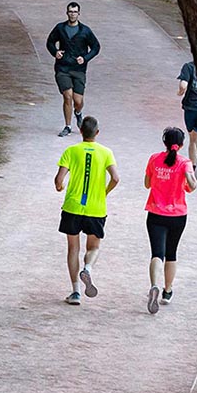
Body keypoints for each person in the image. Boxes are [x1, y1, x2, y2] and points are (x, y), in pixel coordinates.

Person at [55, 116, 119, 306]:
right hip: (96, 208)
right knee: (94, 247)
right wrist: (104, 192)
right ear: (97, 133)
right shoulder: (106, 152)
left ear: (81, 131)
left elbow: (59, 180)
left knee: (73, 248)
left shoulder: (71, 150)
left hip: (73, 207)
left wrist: (60, 187)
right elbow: (116, 177)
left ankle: (75, 292)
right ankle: (88, 268)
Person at [143, 126, 197, 315]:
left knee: (157, 253)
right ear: (181, 145)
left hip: (156, 213)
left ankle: (153, 285)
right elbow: (192, 186)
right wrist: (187, 176)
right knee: (171, 253)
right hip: (178, 215)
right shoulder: (185, 163)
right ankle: (167, 291)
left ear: (164, 142)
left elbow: (147, 184)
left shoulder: (154, 159)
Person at [46, 2, 101, 138]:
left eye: (75, 12)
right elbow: (50, 42)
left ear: (79, 14)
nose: (72, 14)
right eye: (70, 11)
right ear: (67, 13)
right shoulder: (60, 28)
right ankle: (68, 126)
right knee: (67, 96)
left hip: (78, 70)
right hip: (63, 68)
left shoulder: (85, 31)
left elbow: (96, 47)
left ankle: (78, 112)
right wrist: (55, 52)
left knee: (78, 101)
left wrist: (85, 58)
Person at [177, 60, 197, 178]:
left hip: (190, 107)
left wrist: (180, 92)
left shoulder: (189, 67)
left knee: (192, 138)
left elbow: (183, 85)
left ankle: (193, 167)